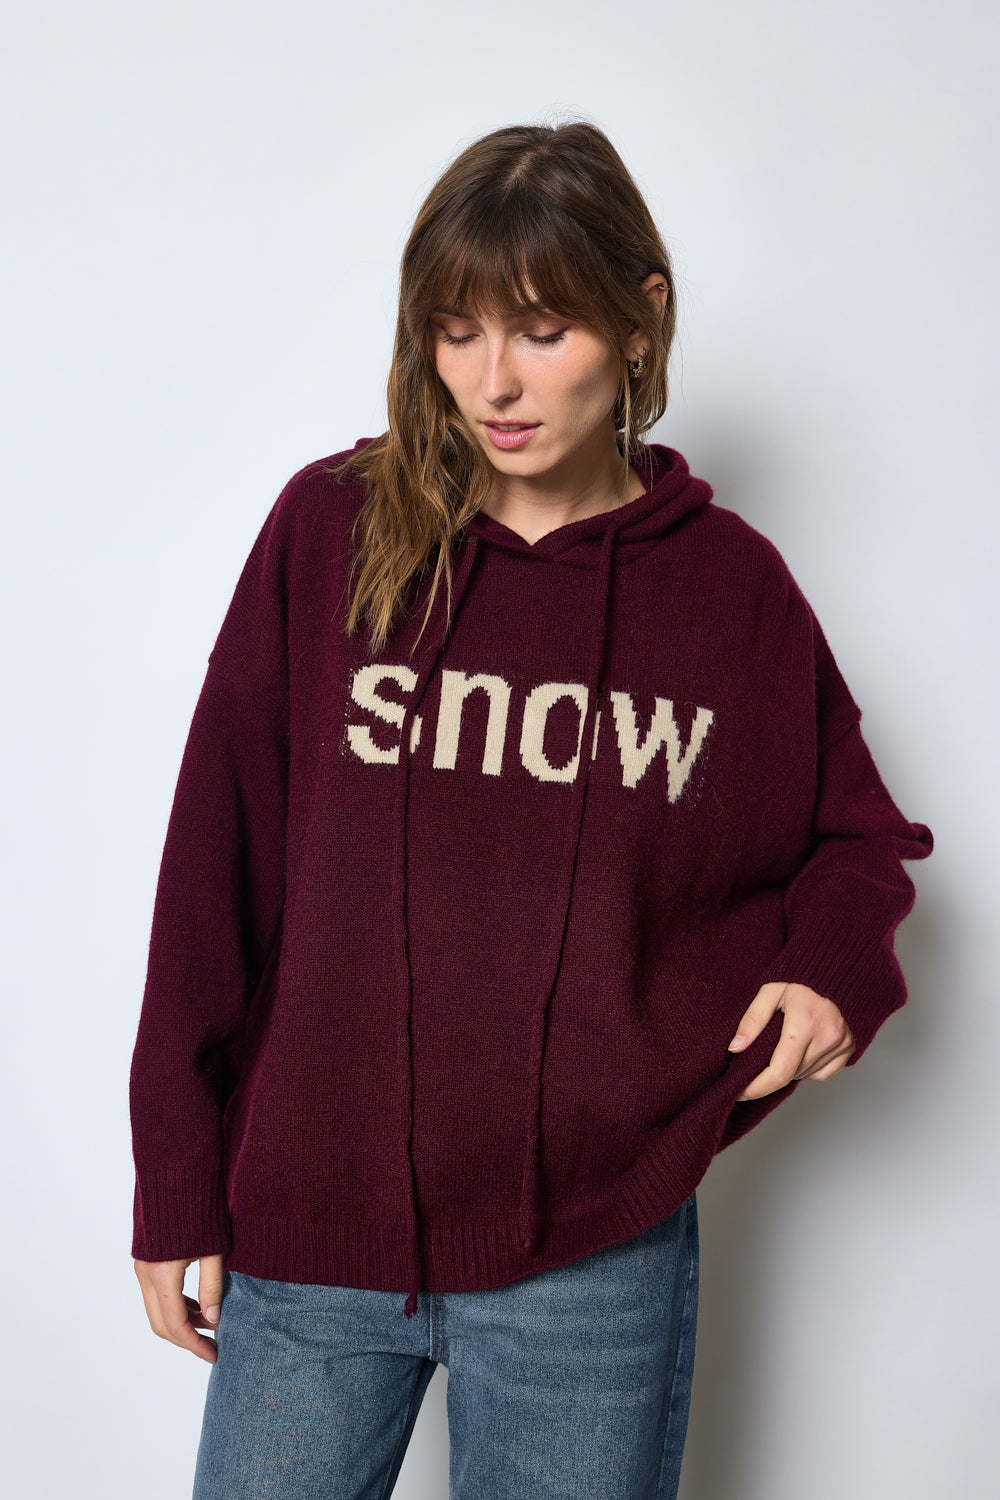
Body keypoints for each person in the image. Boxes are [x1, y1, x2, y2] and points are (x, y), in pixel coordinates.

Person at [129, 120, 933, 1500]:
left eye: (542, 332)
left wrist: (830, 965)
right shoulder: (332, 532)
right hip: (312, 1225)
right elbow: (216, 868)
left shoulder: (729, 593)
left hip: (593, 1255)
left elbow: (858, 840)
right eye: (456, 333)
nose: (492, 382)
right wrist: (175, 1173)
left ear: (640, 319)